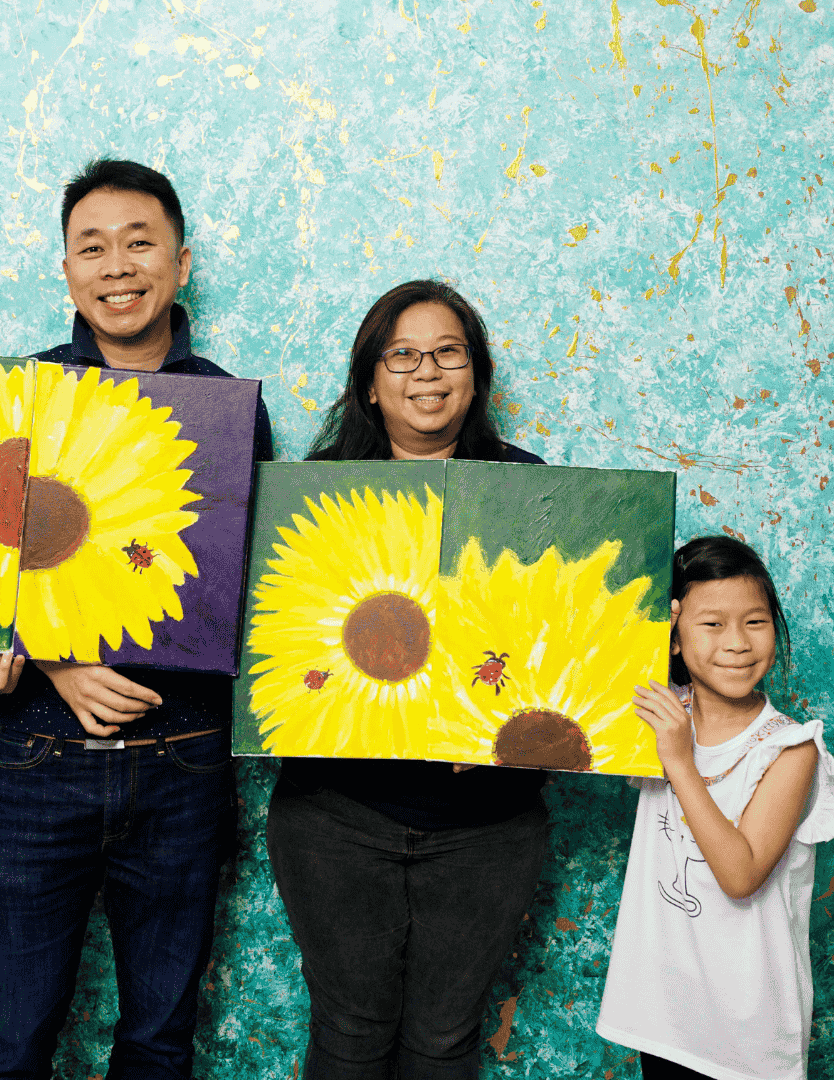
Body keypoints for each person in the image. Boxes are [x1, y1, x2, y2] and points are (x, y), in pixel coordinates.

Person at [0, 159, 273, 1080]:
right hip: (40, 756)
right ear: (66, 271)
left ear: (181, 263)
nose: (117, 266)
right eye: (91, 248)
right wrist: (49, 659)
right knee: (13, 1032)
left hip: (184, 760)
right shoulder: (17, 395)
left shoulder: (232, 409)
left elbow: (240, 589)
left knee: (157, 1038)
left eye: (139, 243)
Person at [266, 280, 549, 1079]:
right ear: (369, 382)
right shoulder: (309, 496)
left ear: (476, 374)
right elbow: (280, 646)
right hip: (336, 820)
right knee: (351, 1035)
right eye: (403, 355)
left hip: (486, 830)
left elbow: (552, 645)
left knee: (444, 1040)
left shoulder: (537, 490)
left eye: (448, 352)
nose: (427, 372)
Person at [597, 535, 833, 1080]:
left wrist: (680, 763)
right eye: (711, 624)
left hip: (745, 1033)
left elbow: (741, 874)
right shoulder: (656, 714)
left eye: (755, 622)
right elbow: (571, 667)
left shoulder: (791, 749)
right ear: (676, 636)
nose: (737, 643)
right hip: (662, 1016)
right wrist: (649, 621)